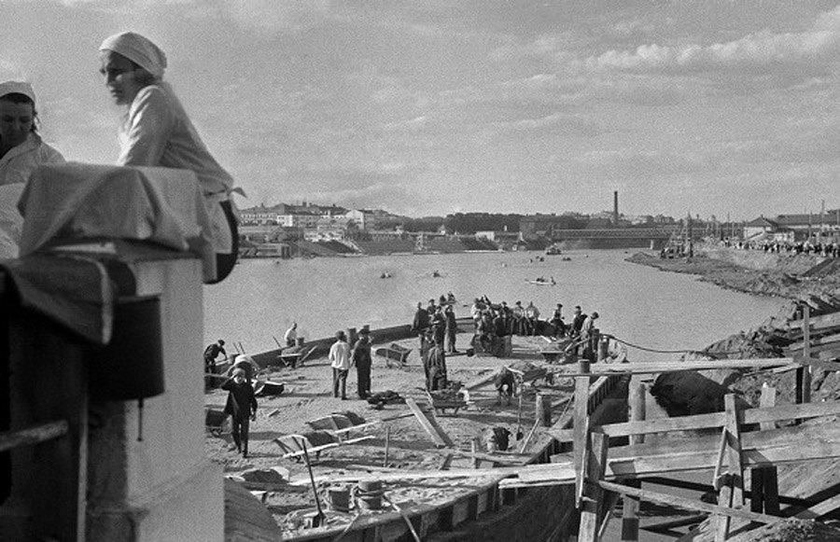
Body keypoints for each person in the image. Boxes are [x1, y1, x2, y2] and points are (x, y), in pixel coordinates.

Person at [98, 32, 242, 283]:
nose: (108, 81)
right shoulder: (140, 107)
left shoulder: (153, 97)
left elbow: (132, 169)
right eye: (104, 73)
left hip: (208, 231)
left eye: (116, 72)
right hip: (193, 224)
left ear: (141, 71)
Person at [0, 81, 65, 258]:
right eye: (7, 119)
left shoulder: (50, 160)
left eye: (24, 120)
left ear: (33, 119)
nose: (16, 127)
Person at [221, 368, 257, 457]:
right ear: (234, 377)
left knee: (244, 434)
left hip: (245, 414)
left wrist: (254, 412)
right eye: (237, 376)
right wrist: (230, 378)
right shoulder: (232, 386)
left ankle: (244, 451)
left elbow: (253, 400)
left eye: (241, 376)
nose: (240, 378)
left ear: (244, 377)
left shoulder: (248, 387)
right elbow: (223, 386)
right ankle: (239, 446)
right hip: (233, 413)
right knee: (234, 432)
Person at [329, 330, 351, 400]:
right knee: (343, 380)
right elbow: (349, 355)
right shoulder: (346, 345)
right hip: (344, 365)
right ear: (344, 337)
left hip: (336, 365)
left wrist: (334, 359)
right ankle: (343, 395)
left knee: (335, 380)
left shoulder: (334, 346)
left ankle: (335, 393)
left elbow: (330, 357)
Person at [352, 326, 372, 399]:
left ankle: (363, 392)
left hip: (363, 362)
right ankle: (363, 392)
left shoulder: (360, 343)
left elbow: (355, 353)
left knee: (363, 378)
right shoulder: (365, 343)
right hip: (364, 362)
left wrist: (353, 361)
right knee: (364, 378)